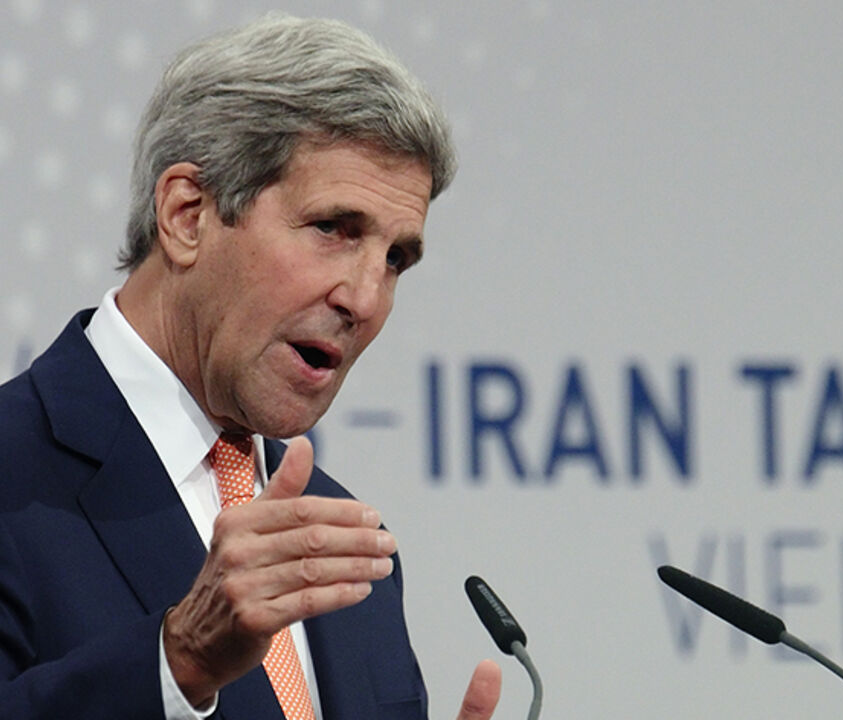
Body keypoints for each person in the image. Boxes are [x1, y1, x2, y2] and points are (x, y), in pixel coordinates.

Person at [0, 13, 501, 720]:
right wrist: (175, 666)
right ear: (187, 214)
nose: (365, 297)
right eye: (334, 228)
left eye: (395, 259)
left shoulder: (348, 557)